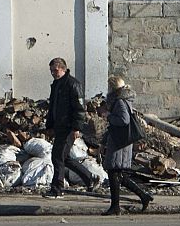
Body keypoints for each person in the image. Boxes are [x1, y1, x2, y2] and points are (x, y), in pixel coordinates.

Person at [43, 56, 100, 195]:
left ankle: (57, 189)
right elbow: (53, 107)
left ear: (62, 68)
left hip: (69, 128)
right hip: (59, 127)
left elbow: (79, 108)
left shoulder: (72, 84)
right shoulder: (56, 85)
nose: (53, 73)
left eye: (55, 70)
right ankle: (90, 178)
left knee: (57, 157)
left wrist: (76, 128)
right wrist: (49, 126)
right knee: (65, 158)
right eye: (51, 71)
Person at [102, 74, 153, 215]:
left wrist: (109, 117)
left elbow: (124, 120)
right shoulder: (124, 100)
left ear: (112, 88)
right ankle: (143, 196)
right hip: (121, 142)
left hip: (119, 143)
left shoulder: (119, 102)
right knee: (118, 174)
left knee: (114, 172)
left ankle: (115, 207)